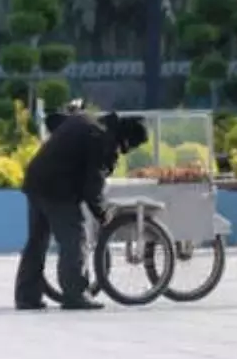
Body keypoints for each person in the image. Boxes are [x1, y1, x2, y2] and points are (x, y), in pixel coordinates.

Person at [15, 111, 149, 311]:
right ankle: (75, 294)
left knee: (37, 242)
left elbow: (54, 120)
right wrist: (103, 214)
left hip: (36, 180)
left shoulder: (88, 120)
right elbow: (92, 187)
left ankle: (27, 296)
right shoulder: (103, 141)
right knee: (75, 240)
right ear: (126, 140)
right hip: (57, 189)